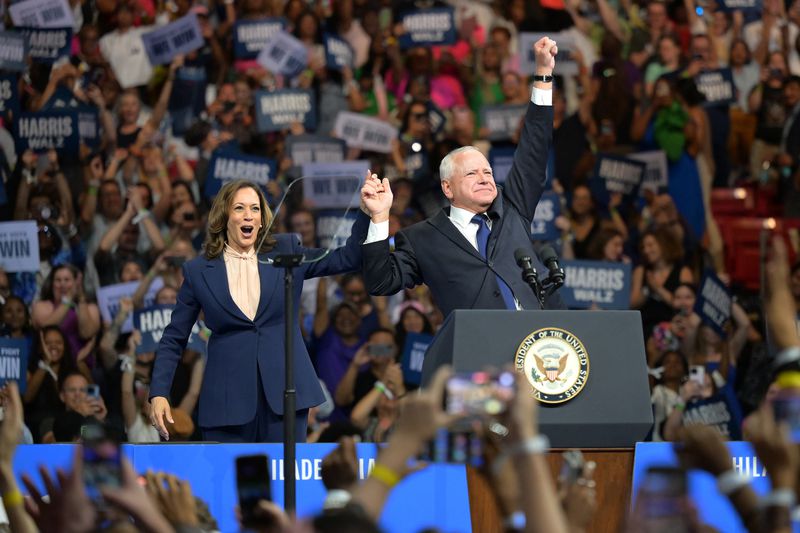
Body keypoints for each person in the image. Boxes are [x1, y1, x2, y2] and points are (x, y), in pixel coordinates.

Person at [149, 176, 387, 443]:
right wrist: (159, 392)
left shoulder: (287, 251)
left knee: (282, 483)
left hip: (284, 397)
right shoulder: (198, 271)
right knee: (233, 483)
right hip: (227, 403)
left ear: (263, 219)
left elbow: (347, 258)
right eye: (239, 208)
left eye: (255, 208)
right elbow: (174, 337)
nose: (248, 215)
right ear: (223, 216)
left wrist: (367, 213)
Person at [360, 37, 563, 315]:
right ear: (448, 188)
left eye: (488, 172)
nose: (484, 178)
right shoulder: (422, 239)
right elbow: (381, 282)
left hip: (540, 344)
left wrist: (543, 75)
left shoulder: (514, 207)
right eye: (471, 173)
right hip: (478, 352)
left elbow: (534, 149)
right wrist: (380, 218)